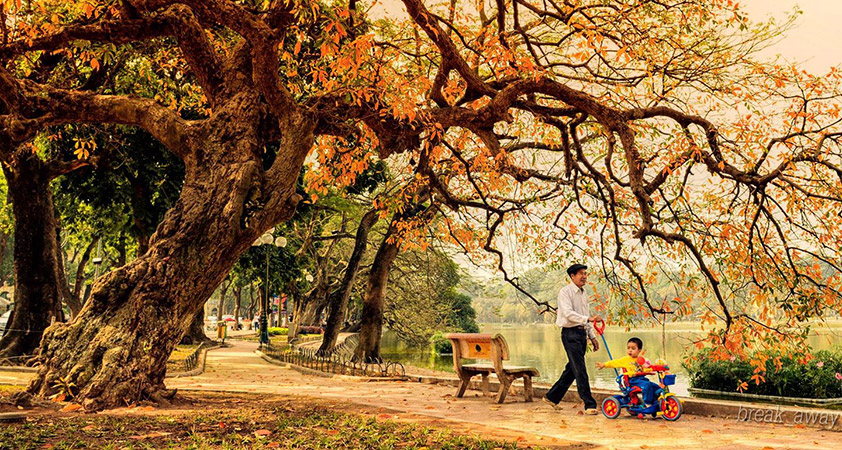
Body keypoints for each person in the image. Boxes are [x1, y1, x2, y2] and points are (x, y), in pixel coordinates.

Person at [544, 263, 601, 415]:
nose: (584, 276)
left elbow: (586, 317)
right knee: (580, 370)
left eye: (585, 273)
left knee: (572, 369)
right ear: (572, 276)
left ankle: (552, 396)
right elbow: (568, 314)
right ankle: (589, 404)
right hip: (570, 334)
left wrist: (592, 336)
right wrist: (588, 318)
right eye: (581, 273)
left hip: (582, 334)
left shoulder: (583, 293)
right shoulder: (565, 292)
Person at [596, 337, 661, 406]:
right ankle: (648, 403)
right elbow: (615, 362)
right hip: (633, 380)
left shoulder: (641, 360)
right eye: (628, 348)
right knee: (647, 385)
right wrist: (604, 364)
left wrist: (651, 370)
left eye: (633, 349)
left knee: (656, 387)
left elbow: (645, 368)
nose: (630, 350)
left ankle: (655, 401)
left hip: (642, 379)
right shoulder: (625, 360)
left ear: (639, 351)